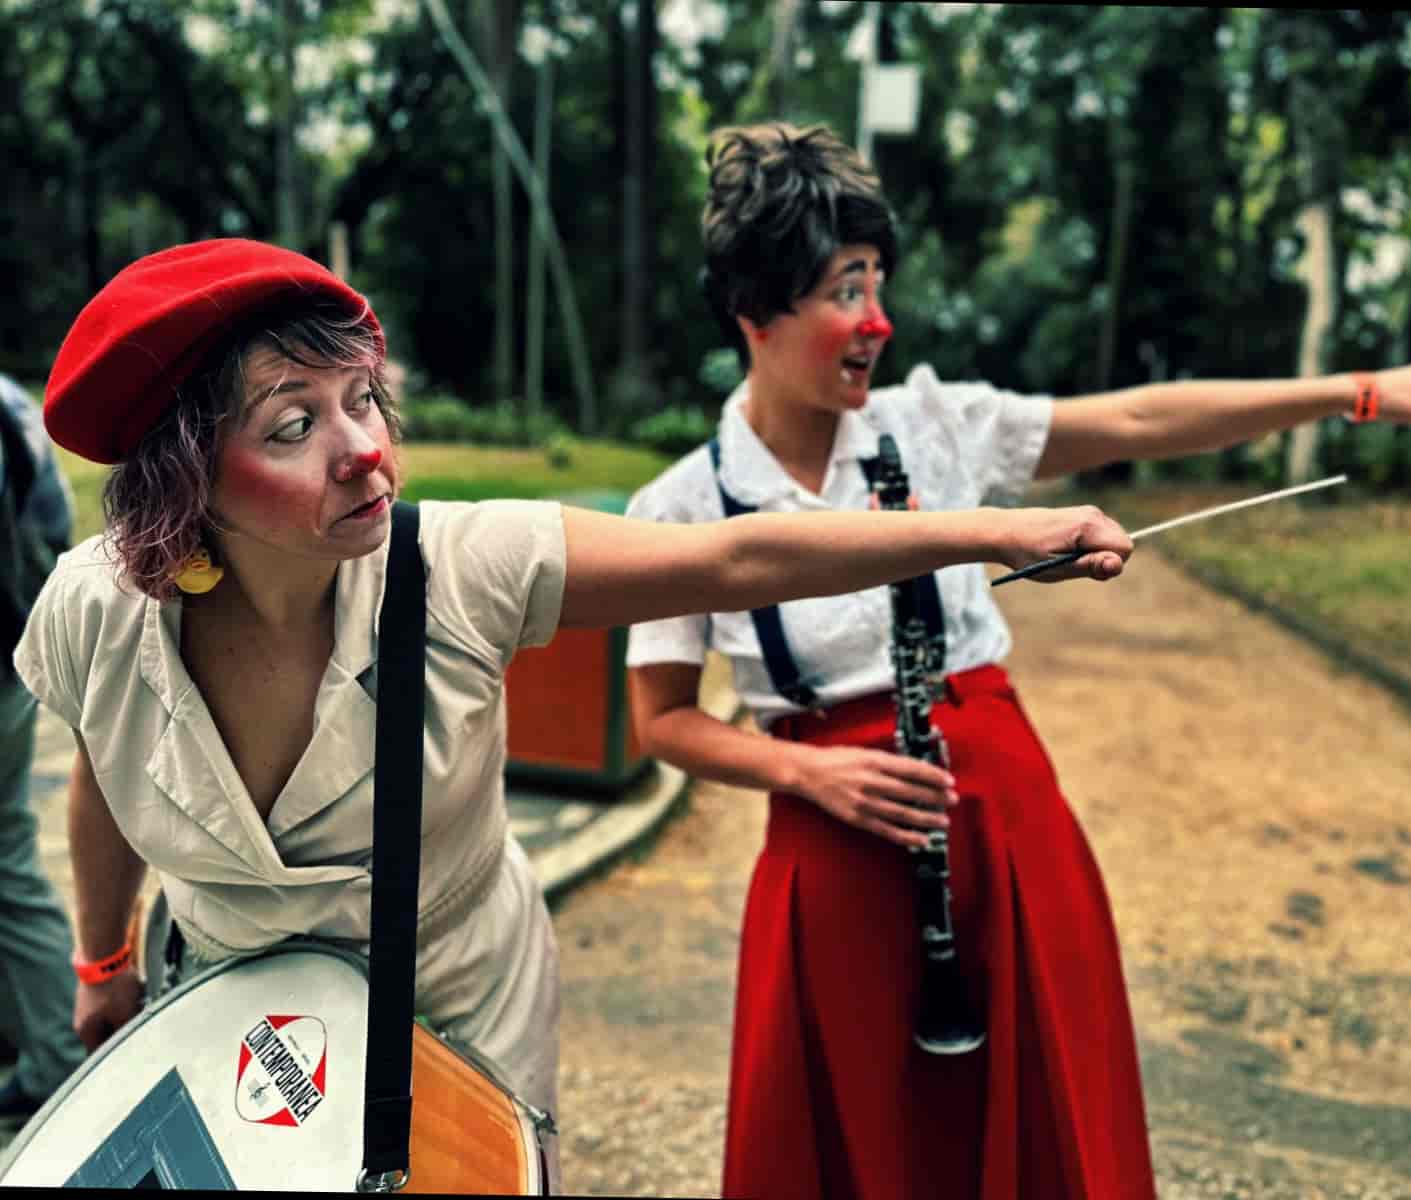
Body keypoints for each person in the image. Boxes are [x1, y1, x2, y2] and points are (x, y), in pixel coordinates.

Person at [10, 237, 1134, 1179]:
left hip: (449, 1009)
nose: (364, 452)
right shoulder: (94, 609)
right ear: (186, 472)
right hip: (227, 1003)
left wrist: (999, 531)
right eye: (293, 426)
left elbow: (735, 557)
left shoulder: (464, 565)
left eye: (362, 400)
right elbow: (110, 782)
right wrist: (104, 965)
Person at [622, 122, 1411, 1200]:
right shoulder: (679, 504)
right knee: (861, 1145)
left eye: (879, 283)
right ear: (756, 309)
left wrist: (1355, 392)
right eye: (845, 290)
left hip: (1004, 827)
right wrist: (806, 772)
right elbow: (658, 722)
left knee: (1044, 1135)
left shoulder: (933, 425)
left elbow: (1137, 414)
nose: (877, 320)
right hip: (832, 851)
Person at [0, 373, 85, 1126]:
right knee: (7, 859)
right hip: (11, 662)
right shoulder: (10, 401)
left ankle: (56, 1059)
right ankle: (44, 1050)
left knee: (6, 865)